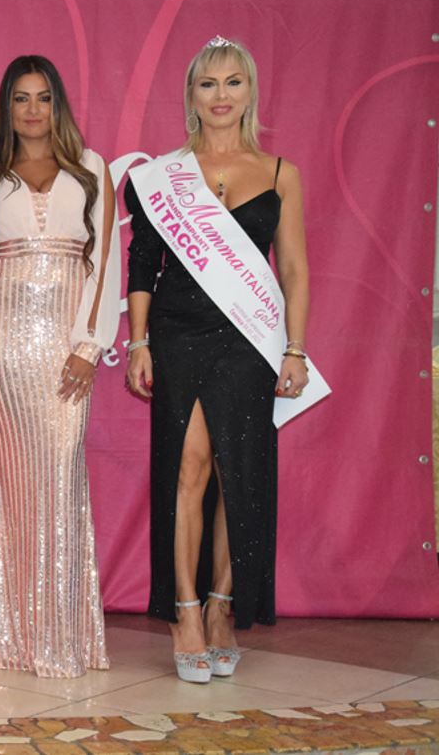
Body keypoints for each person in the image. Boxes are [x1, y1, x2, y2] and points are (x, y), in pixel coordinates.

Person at [124, 37, 310, 683]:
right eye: (209, 83)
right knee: (190, 467)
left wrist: (295, 347)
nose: (222, 95)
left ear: (250, 92)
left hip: (250, 339)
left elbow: (293, 268)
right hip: (178, 333)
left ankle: (222, 604)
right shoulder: (161, 178)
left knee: (239, 473)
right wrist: (139, 341)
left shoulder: (281, 173)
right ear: (191, 96)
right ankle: (184, 610)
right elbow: (142, 263)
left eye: (234, 82)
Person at [0, 55, 119, 678]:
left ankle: (62, 636)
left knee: (61, 479)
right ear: (7, 107)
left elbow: (105, 264)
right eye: (20, 98)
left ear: (58, 104)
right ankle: (14, 634)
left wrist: (88, 345)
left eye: (43, 97)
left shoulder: (92, 168)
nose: (32, 110)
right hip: (5, 341)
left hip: (65, 346)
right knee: (15, 482)